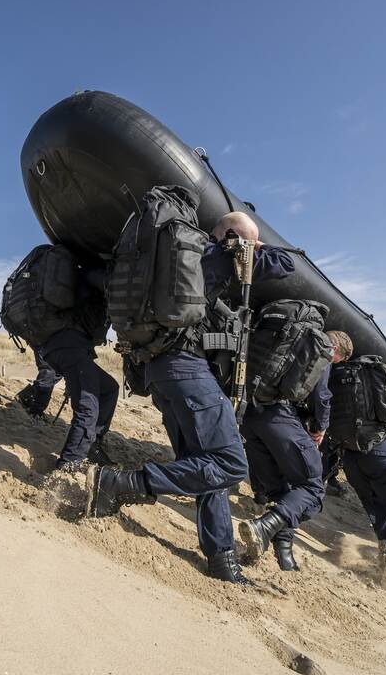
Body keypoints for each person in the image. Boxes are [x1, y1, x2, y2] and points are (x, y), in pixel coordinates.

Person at [85, 211, 293, 584]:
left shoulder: (173, 261)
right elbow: (284, 264)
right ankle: (121, 483)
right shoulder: (218, 255)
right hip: (187, 369)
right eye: (247, 241)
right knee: (231, 463)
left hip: (159, 371)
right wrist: (253, 246)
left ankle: (221, 557)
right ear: (233, 238)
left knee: (205, 464)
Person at [325, 332, 386, 595]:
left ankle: (385, 557)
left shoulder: (334, 377)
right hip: (383, 452)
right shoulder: (378, 375)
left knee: (377, 510)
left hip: (352, 458)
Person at [236, 349, 335, 572]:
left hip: (249, 416)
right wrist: (320, 427)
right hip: (279, 416)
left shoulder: (281, 343)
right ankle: (263, 526)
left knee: (281, 493)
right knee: (312, 487)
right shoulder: (322, 348)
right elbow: (321, 394)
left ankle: (285, 560)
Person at [34, 266, 117, 473]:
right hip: (68, 345)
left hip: (71, 347)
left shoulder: (88, 278)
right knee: (88, 408)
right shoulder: (91, 273)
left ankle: (92, 444)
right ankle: (68, 465)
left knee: (109, 388)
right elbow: (110, 284)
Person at [16, 346, 62, 420]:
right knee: (48, 372)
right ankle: (34, 410)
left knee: (57, 372)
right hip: (42, 343)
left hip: (53, 344)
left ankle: (29, 400)